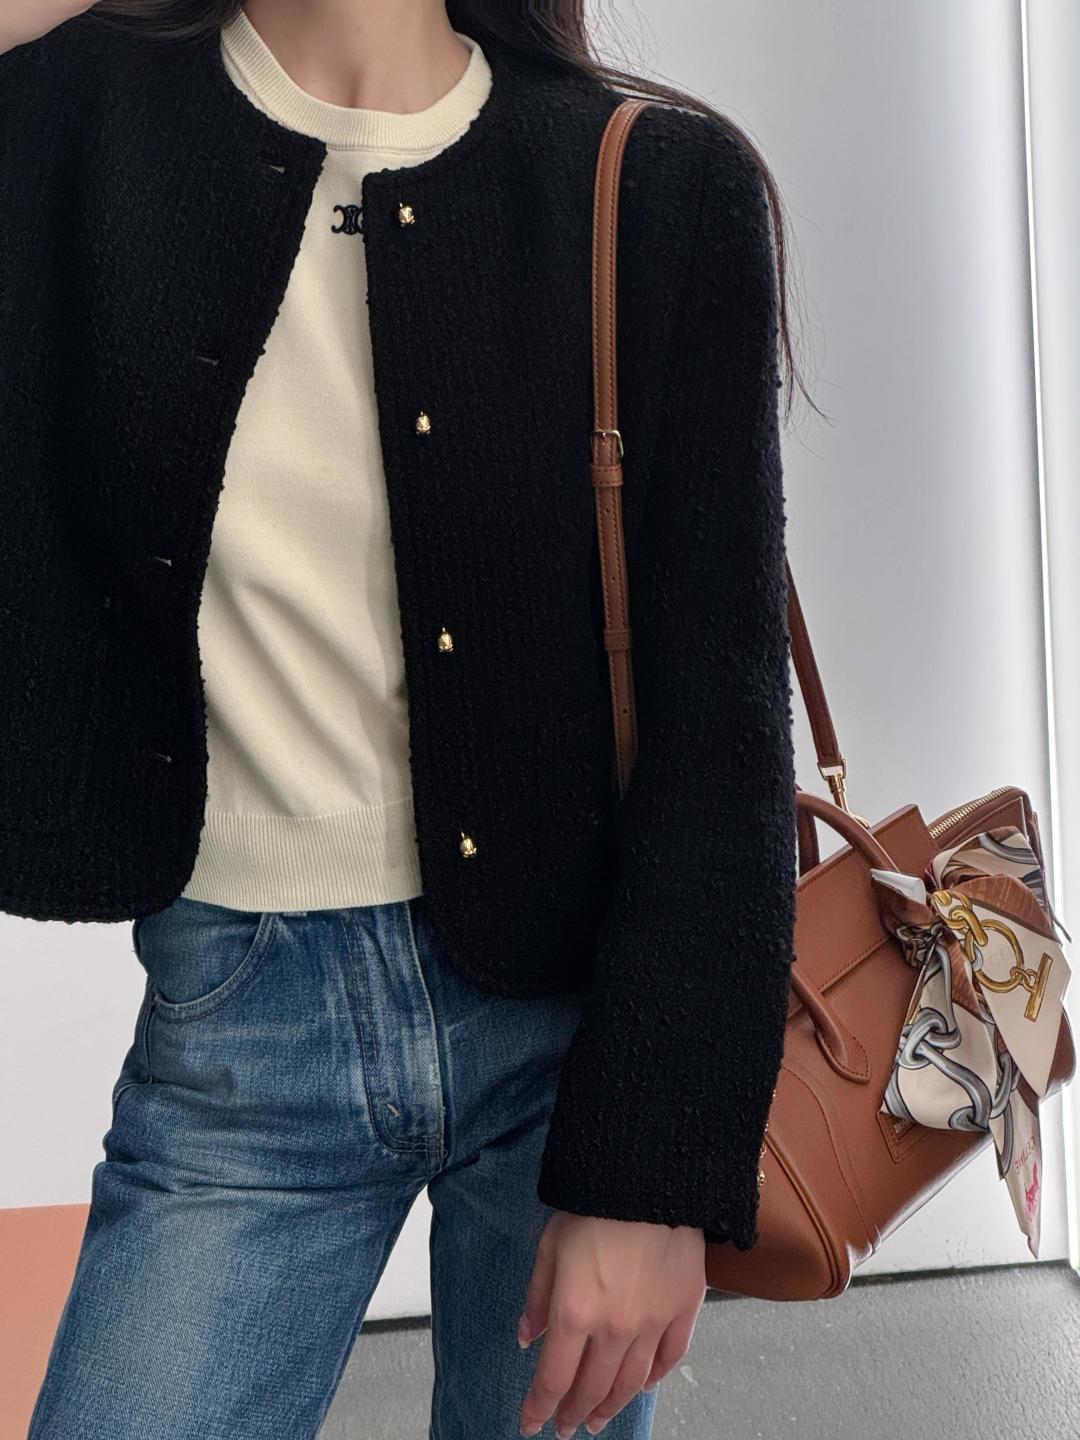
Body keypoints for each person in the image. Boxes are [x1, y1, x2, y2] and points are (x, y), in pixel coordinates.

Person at [0, 1, 815, 1435]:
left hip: (578, 1037)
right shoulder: (68, 125)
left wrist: (651, 1173)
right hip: (241, 1033)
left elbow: (723, 729)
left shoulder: (653, 183)